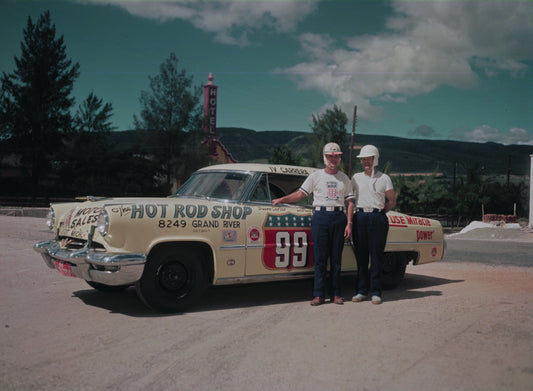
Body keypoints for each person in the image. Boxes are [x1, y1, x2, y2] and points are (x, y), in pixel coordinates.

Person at [272, 143, 354, 306]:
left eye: (336, 156)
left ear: (339, 158)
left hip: (338, 216)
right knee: (320, 258)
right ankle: (319, 295)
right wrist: (282, 199)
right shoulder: (315, 176)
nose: (333, 159)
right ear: (325, 157)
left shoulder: (344, 178)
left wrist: (349, 223)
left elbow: (350, 202)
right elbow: (300, 194)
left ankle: (336, 294)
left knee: (336, 258)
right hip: (320, 216)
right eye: (330, 156)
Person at [351, 145, 396, 305]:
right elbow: (349, 198)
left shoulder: (384, 178)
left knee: (376, 257)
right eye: (363, 159)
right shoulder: (356, 177)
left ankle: (376, 292)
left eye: (368, 159)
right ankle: (361, 290)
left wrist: (381, 212)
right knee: (361, 256)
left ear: (375, 159)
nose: (365, 162)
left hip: (378, 217)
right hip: (360, 217)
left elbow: (391, 200)